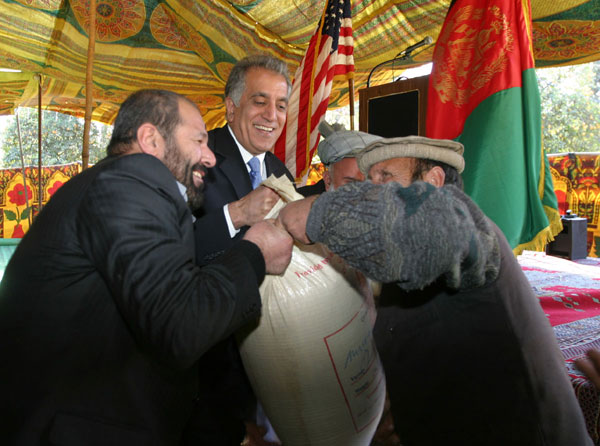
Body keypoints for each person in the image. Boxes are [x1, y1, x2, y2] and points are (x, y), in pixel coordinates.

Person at [0, 89, 294, 446]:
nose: (211, 157)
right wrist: (256, 252)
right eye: (200, 140)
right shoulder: (129, 179)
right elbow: (180, 322)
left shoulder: (121, 186)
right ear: (151, 139)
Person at [277, 135, 593, 446]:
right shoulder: (410, 261)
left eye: (385, 177)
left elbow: (429, 228)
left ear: (435, 180)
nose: (371, 192)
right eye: (368, 181)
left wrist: (319, 212)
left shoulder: (461, 220)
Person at [190, 54, 297, 446]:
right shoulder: (196, 159)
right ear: (232, 106)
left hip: (269, 362)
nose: (272, 114)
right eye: (260, 101)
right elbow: (175, 254)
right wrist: (235, 215)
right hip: (209, 370)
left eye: (281, 105)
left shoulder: (281, 171)